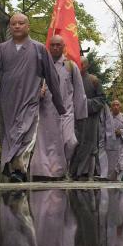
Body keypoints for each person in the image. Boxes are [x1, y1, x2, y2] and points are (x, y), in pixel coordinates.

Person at [0, 13, 65, 182]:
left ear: (27, 26)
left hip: (30, 99)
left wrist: (59, 104)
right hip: (8, 101)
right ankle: (14, 169)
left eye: (21, 23)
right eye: (13, 23)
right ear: (10, 27)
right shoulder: (1, 50)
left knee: (27, 134)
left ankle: (19, 170)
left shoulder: (39, 49)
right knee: (11, 136)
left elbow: (52, 77)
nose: (17, 26)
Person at [30, 35, 87, 180]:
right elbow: (30, 86)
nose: (55, 48)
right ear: (49, 46)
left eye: (58, 45)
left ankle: (62, 167)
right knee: (47, 144)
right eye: (52, 45)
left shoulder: (70, 66)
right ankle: (47, 173)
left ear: (63, 47)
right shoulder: (41, 66)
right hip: (46, 111)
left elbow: (80, 91)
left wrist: (81, 115)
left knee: (70, 142)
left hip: (66, 111)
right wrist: (37, 92)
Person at [70, 58, 106, 181]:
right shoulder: (71, 79)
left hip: (89, 119)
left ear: (87, 65)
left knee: (88, 144)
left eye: (82, 64)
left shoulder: (94, 80)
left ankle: (84, 172)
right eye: (77, 64)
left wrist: (85, 104)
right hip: (74, 118)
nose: (80, 66)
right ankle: (72, 171)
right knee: (74, 143)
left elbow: (101, 99)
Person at [106, 100, 123, 181]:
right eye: (114, 105)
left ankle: (119, 179)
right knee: (110, 163)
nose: (115, 107)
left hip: (121, 144)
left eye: (117, 105)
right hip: (110, 144)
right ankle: (110, 179)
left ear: (120, 107)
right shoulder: (107, 116)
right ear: (111, 107)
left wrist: (121, 132)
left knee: (121, 162)